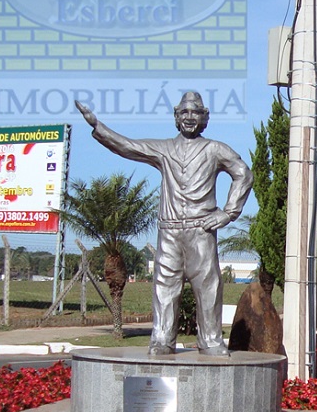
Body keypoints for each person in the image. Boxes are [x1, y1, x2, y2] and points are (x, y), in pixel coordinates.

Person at [75, 92, 252, 356]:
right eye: (184, 113)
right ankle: (162, 339)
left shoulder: (215, 149)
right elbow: (128, 146)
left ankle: (211, 341)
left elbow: (243, 173)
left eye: (195, 113)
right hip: (169, 231)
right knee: (165, 288)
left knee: (208, 287)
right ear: (176, 117)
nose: (189, 118)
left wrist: (228, 213)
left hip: (200, 230)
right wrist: (97, 126)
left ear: (205, 118)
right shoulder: (164, 149)